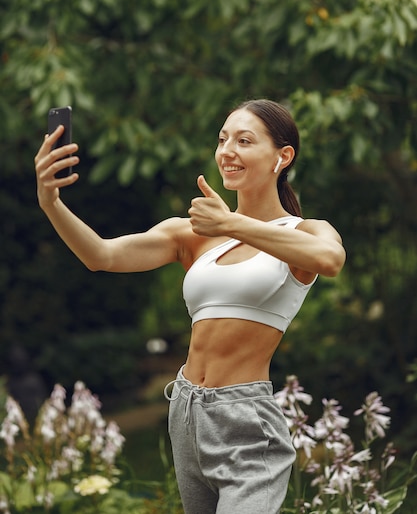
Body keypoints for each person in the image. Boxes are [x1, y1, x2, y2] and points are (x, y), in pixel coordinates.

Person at [35, 98, 345, 514]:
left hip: (246, 420)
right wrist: (51, 203)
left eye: (244, 140)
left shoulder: (303, 232)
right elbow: (101, 256)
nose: (227, 151)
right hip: (186, 410)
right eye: (222, 139)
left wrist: (231, 223)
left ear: (283, 156)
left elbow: (329, 260)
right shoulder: (192, 234)